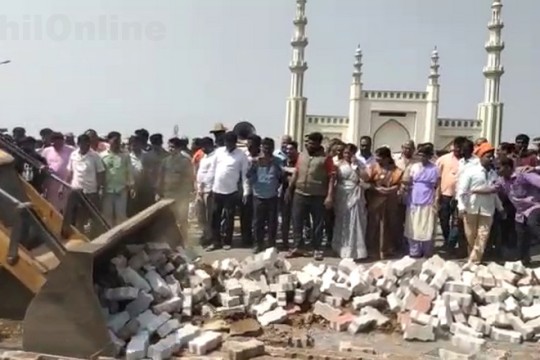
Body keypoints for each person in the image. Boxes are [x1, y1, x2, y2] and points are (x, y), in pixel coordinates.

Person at [286, 132, 335, 261]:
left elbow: (331, 178)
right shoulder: (301, 155)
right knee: (297, 221)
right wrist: (289, 189)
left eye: (312, 143)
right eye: (307, 142)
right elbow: (296, 172)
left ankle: (317, 248)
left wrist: (330, 196)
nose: (308, 145)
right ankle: (298, 247)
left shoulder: (326, 158)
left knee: (318, 224)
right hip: (300, 193)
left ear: (319, 143)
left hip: (318, 195)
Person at [456, 142, 503, 264]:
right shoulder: (471, 172)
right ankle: (473, 257)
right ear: (481, 157)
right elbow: (462, 191)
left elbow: (495, 192)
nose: (491, 158)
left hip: (488, 209)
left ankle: (474, 261)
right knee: (471, 235)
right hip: (471, 207)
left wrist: (500, 208)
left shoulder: (494, 174)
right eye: (488, 156)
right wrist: (461, 206)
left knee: (483, 236)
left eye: (492, 156)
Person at [206, 131, 250, 251]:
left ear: (235, 143)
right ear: (225, 142)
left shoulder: (241, 155)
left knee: (229, 217)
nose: (229, 145)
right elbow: (212, 170)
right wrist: (208, 186)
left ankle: (227, 242)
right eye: (227, 142)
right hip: (217, 189)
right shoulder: (219, 152)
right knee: (215, 217)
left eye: (231, 142)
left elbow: (245, 175)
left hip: (232, 191)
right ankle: (215, 242)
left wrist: (246, 191)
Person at [498, 158, 540, 265]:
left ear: (507, 167)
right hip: (520, 212)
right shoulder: (502, 180)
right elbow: (492, 188)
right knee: (521, 235)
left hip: (534, 206)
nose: (497, 170)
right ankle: (523, 260)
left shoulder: (523, 175)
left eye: (499, 168)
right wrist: (474, 190)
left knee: (533, 225)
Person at [365, 146, 403, 260]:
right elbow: (366, 182)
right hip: (376, 200)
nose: (377, 161)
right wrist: (377, 189)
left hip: (391, 200)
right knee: (374, 224)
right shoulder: (373, 168)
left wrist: (391, 189)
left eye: (380, 158)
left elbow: (401, 184)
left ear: (387, 158)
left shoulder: (396, 170)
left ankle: (388, 250)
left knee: (390, 224)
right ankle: (373, 250)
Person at [403, 144, 440, 258]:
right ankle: (414, 251)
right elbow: (405, 180)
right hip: (414, 199)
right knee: (413, 226)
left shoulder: (434, 168)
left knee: (426, 226)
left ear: (429, 156)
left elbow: (438, 186)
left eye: (424, 155)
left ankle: (427, 250)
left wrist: (436, 200)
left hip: (428, 199)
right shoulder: (414, 167)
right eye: (420, 155)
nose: (422, 158)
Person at [332, 143, 368, 260]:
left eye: (350, 153)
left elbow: (365, 177)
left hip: (355, 193)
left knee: (356, 220)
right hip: (342, 194)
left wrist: (356, 167)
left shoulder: (359, 164)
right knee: (343, 220)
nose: (348, 155)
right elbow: (334, 179)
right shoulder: (338, 164)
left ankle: (356, 251)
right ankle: (341, 248)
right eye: (346, 152)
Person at [65, 134, 105, 236]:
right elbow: (70, 172)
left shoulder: (95, 156)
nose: (84, 146)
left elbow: (100, 172)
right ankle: (78, 236)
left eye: (87, 143)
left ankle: (93, 237)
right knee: (76, 216)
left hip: (90, 191)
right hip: (76, 190)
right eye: (82, 143)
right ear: (78, 144)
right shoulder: (73, 155)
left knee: (92, 216)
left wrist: (99, 188)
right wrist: (63, 186)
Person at [248, 137, 283, 253]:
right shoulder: (255, 161)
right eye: (265, 147)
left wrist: (276, 167)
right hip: (258, 195)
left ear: (273, 148)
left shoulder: (278, 161)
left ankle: (271, 245)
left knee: (272, 222)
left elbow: (282, 177)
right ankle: (258, 244)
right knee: (258, 222)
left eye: (269, 147)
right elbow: (248, 176)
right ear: (261, 148)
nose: (267, 150)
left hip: (272, 195)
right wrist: (253, 165)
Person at [159, 137, 195, 244]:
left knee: (182, 219)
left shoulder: (185, 161)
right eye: (169, 146)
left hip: (181, 195)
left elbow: (190, 177)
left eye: (173, 147)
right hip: (168, 194)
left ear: (179, 148)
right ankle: (171, 241)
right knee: (169, 219)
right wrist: (159, 192)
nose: (170, 149)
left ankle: (185, 241)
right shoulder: (165, 161)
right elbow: (160, 178)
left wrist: (190, 191)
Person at [436, 136, 467, 251]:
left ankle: (451, 244)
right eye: (456, 147)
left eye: (460, 148)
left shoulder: (468, 161)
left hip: (460, 197)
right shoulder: (443, 159)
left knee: (457, 222)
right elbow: (437, 178)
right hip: (445, 195)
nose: (457, 150)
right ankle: (447, 240)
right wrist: (437, 194)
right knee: (444, 220)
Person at [101, 132, 133, 226]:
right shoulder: (102, 156)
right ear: (109, 141)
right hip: (107, 190)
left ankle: (121, 237)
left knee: (121, 216)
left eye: (119, 141)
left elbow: (129, 171)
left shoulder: (125, 156)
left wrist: (131, 186)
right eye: (115, 141)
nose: (117, 143)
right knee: (107, 216)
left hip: (121, 189)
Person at [41, 132, 75, 213]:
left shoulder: (71, 150)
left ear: (62, 141)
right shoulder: (46, 151)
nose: (55, 145)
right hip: (51, 184)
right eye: (53, 143)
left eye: (57, 142)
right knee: (52, 207)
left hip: (66, 183)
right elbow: (42, 164)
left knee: (66, 208)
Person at [195, 137, 215, 246]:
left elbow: (211, 174)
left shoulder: (215, 157)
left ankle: (210, 236)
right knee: (200, 214)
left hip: (209, 190)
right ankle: (205, 234)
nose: (203, 149)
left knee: (209, 216)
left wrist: (205, 187)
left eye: (204, 146)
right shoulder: (204, 157)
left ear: (210, 145)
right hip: (200, 190)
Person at [280, 141, 299, 249]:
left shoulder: (300, 162)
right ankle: (284, 242)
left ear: (296, 150)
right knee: (285, 219)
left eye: (291, 149)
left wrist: (290, 171)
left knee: (297, 219)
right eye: (287, 149)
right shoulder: (283, 162)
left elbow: (298, 173)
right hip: (284, 192)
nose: (288, 152)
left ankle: (297, 243)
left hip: (297, 193)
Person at [127, 135, 149, 217]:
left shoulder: (147, 156)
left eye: (137, 144)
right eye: (133, 144)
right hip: (132, 188)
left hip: (145, 187)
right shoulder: (127, 157)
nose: (135, 146)